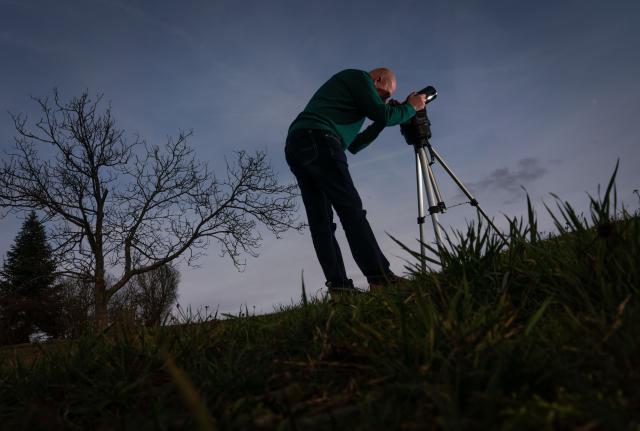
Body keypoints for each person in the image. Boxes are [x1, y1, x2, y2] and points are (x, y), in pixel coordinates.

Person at [285, 67, 426, 295]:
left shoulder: (352, 105)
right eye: (386, 94)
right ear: (377, 79)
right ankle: (380, 279)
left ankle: (340, 289)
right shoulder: (359, 77)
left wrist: (382, 121)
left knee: (321, 222)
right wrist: (412, 106)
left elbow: (355, 145)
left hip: (299, 143)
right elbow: (385, 115)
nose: (386, 99)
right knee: (351, 210)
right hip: (319, 137)